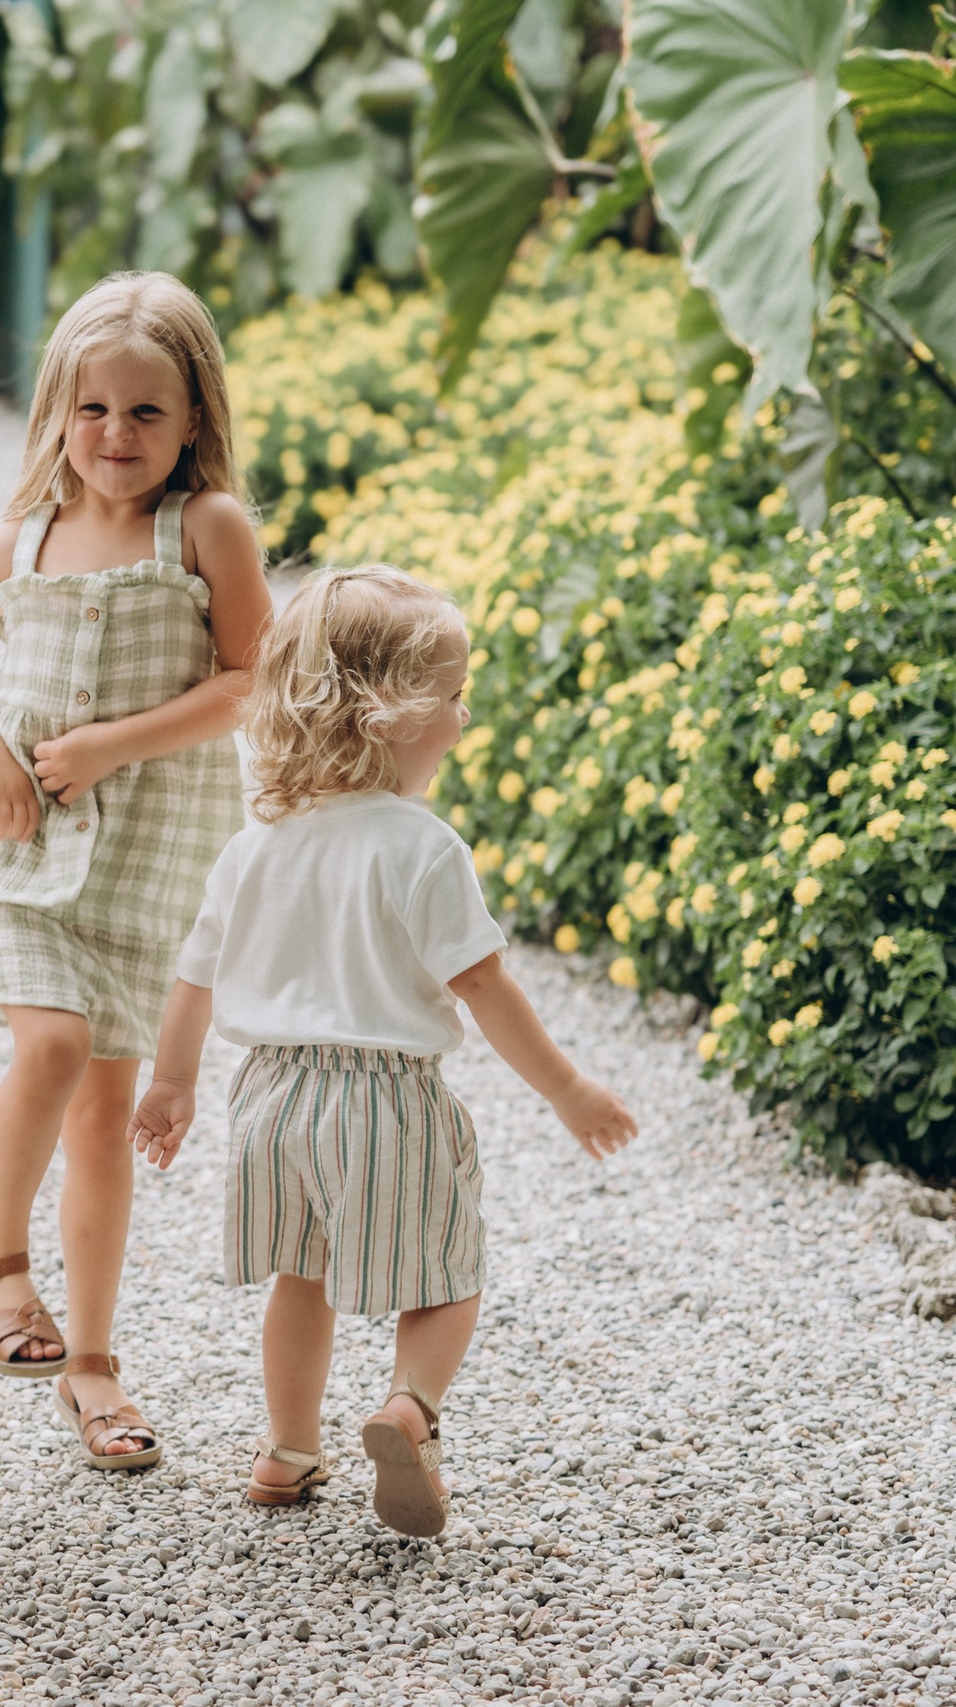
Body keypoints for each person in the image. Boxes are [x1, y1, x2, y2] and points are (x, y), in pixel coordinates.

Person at [126, 566, 639, 1537]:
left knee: (301, 1274)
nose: (462, 716)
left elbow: (193, 979)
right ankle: (409, 1408)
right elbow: (483, 986)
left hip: (269, 1098)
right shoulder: (420, 846)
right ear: (389, 716)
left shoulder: (255, 846)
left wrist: (169, 1086)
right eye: (451, 696)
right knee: (447, 1274)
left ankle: (285, 1451)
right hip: (385, 1098)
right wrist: (568, 1089)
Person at [0, 272, 271, 1471]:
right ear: (55, 414)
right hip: (10, 837)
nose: (115, 438)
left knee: (104, 1116)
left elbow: (246, 681)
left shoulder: (207, 531)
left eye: (146, 415)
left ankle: (94, 1363)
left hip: (146, 850)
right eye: (92, 411)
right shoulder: (5, 544)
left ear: (192, 422)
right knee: (54, 1043)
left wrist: (112, 744)